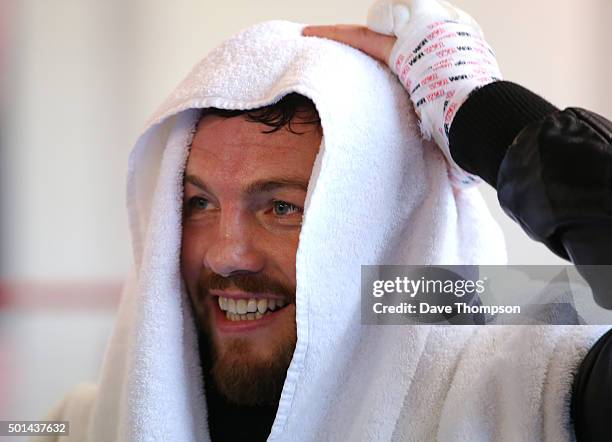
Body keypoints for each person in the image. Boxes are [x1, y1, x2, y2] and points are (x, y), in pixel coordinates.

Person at [46, 2, 610, 441]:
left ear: (384, 231)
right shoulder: (80, 425)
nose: (225, 253)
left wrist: (488, 117)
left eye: (282, 208)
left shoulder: (527, 400)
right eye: (199, 203)